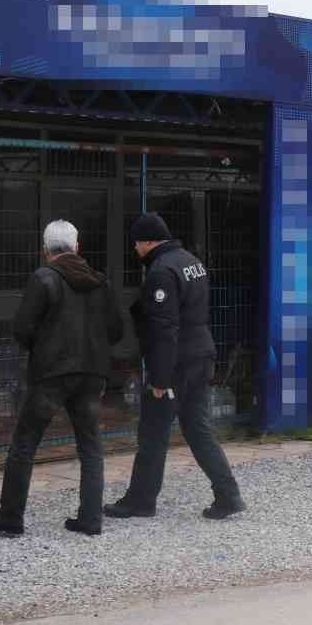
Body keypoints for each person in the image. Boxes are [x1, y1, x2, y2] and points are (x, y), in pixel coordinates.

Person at [0, 220, 123, 537]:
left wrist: (41, 350)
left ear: (46, 250)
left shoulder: (43, 279)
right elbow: (116, 331)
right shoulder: (101, 282)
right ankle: (90, 519)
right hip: (92, 375)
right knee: (91, 447)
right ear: (77, 247)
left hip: (52, 375)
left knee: (25, 444)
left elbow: (22, 329)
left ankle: (11, 519)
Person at [105, 213, 246, 520]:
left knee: (152, 433)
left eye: (136, 244)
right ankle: (228, 494)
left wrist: (159, 378)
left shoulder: (161, 272)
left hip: (177, 363)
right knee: (198, 429)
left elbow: (164, 329)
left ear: (147, 242)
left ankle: (140, 500)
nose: (136, 250)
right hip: (201, 355)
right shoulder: (190, 261)